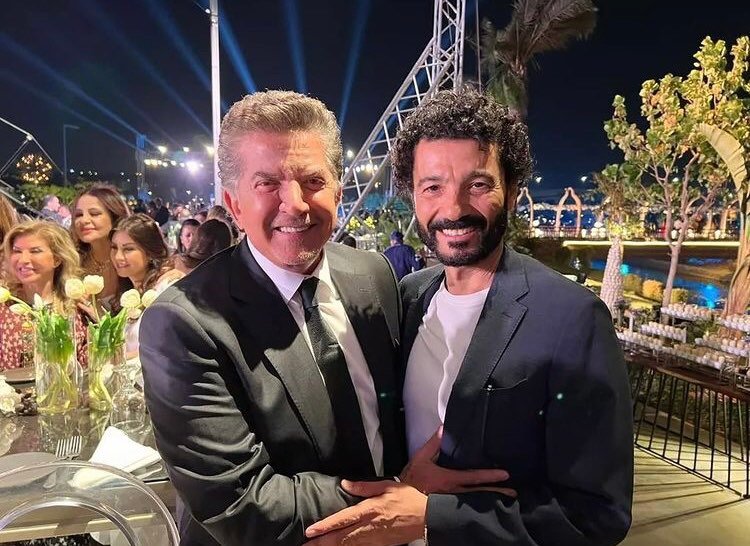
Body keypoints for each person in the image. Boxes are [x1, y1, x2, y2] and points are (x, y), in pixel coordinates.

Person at [305, 88, 633, 545]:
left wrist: (433, 517)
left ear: (511, 191)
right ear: (414, 197)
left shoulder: (573, 318)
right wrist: (405, 486)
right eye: (432, 187)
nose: (454, 209)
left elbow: (598, 515)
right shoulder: (409, 297)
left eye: (478, 185)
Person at [138, 90, 408, 546]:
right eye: (267, 184)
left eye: (313, 181)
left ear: (339, 191)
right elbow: (239, 502)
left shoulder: (373, 274)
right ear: (234, 204)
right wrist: (397, 496)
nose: (295, 203)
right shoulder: (184, 322)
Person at [0, 221, 88, 370]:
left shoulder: (75, 307)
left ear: (57, 259)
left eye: (35, 251)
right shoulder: (4, 305)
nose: (23, 260)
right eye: (17, 251)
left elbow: (88, 365)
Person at [110, 213, 184, 362]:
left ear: (149, 252)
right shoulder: (128, 292)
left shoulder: (166, 288)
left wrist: (118, 360)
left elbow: (168, 348)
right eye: (114, 248)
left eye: (128, 249)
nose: (118, 256)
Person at [72, 183, 131, 305]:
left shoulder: (131, 259)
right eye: (78, 215)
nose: (84, 220)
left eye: (94, 214)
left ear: (115, 217)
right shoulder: (72, 262)